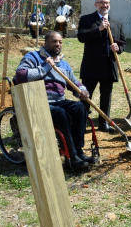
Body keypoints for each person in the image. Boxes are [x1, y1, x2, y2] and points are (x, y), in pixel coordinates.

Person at [14, 30, 93, 170]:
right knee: (60, 114)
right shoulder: (33, 57)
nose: (58, 44)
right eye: (54, 41)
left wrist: (82, 90)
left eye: (60, 42)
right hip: (38, 102)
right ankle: (72, 156)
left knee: (80, 108)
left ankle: (79, 150)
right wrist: (45, 67)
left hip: (59, 101)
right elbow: (20, 76)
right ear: (45, 43)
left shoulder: (64, 64)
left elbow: (74, 83)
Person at [77, 0, 126, 133]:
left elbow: (122, 42)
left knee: (106, 95)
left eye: (107, 3)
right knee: (86, 95)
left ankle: (104, 123)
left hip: (108, 65)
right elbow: (81, 37)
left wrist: (119, 48)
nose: (105, 5)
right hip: (91, 65)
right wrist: (98, 29)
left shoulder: (116, 23)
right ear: (96, 4)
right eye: (101, 3)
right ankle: (82, 120)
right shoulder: (87, 20)